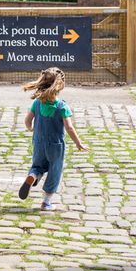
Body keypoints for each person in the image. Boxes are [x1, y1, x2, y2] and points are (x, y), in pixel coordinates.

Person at [19, 67, 88, 210]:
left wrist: (31, 129)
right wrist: (78, 143)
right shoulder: (62, 106)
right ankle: (46, 202)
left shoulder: (37, 103)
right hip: (55, 146)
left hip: (38, 142)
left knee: (38, 166)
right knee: (54, 171)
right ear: (60, 85)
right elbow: (69, 128)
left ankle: (33, 176)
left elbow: (27, 121)